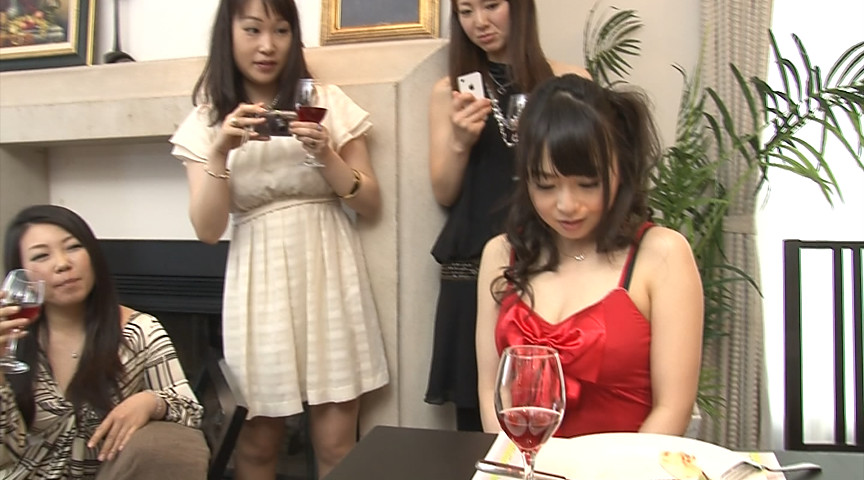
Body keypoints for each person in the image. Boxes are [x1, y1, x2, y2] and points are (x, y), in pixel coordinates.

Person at [169, 0, 388, 478]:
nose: (268, 45)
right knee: (256, 444)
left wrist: (326, 153)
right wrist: (220, 152)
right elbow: (207, 231)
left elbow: (370, 203)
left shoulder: (327, 101)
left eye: (281, 30)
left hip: (328, 273)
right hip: (258, 283)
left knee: (337, 444)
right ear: (228, 35)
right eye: (253, 30)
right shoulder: (207, 122)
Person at [476, 74, 705, 437]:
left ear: (620, 172)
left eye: (588, 184)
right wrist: (517, 462)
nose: (567, 205)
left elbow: (672, 407)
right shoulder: (501, 254)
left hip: (629, 464)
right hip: (524, 463)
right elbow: (492, 392)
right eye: (546, 185)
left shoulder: (662, 255)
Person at [425, 0, 590, 431]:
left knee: (566, 408)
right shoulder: (451, 92)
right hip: (474, 268)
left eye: (491, 5)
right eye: (465, 11)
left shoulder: (571, 83)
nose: (479, 22)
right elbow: (444, 192)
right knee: (479, 426)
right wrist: (459, 141)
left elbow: (592, 175)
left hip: (554, 264)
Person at [0, 205, 207, 480]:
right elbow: (5, 454)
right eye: (41, 255)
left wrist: (151, 402)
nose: (62, 263)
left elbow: (191, 412)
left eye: (73, 247)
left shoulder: (139, 331)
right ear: (21, 274)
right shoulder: (12, 339)